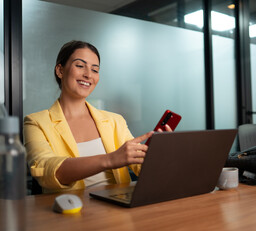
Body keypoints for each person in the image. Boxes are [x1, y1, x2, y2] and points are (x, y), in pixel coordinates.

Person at [23, 40, 171, 193]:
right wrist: (110, 159)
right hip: (70, 211)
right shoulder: (36, 122)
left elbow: (142, 167)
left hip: (119, 208)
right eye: (80, 66)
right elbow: (46, 170)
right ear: (60, 70)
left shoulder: (115, 121)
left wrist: (159, 153)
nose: (88, 75)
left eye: (95, 70)